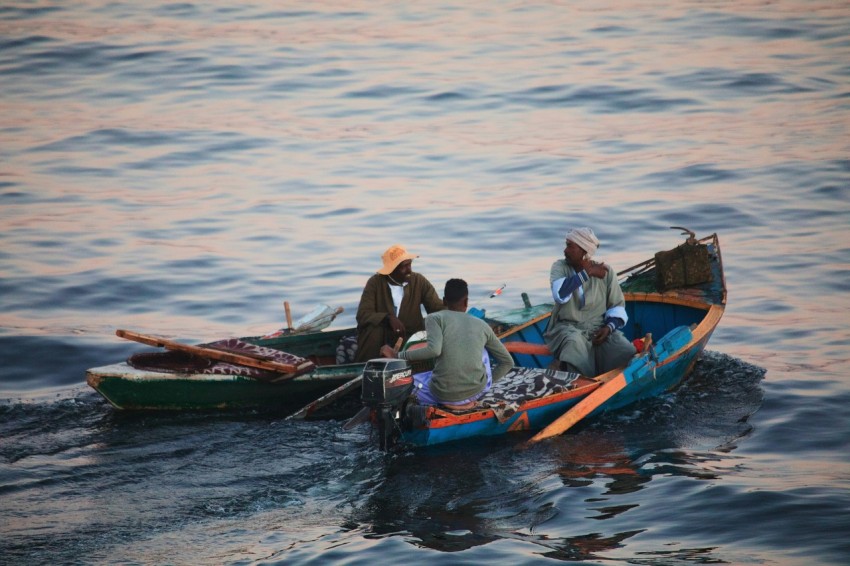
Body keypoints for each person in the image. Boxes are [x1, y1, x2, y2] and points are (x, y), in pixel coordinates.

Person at [380, 278, 514, 410]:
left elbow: (434, 350)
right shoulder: (482, 325)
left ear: (444, 301)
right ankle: (469, 397)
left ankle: (448, 401)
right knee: (483, 350)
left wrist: (398, 355)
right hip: (476, 393)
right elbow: (507, 362)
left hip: (441, 395)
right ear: (466, 301)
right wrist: (483, 385)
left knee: (413, 380)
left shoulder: (434, 318)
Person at [543, 227, 636, 376]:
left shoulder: (607, 272)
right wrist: (588, 273)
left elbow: (617, 306)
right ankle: (579, 381)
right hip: (567, 328)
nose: (565, 250)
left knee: (626, 351)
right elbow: (559, 293)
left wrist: (609, 328)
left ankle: (609, 381)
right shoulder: (560, 267)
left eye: (569, 246)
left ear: (584, 252)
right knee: (574, 345)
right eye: (566, 245)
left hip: (598, 327)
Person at [354, 244, 445, 363]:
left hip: (410, 336)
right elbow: (363, 315)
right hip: (382, 338)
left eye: (410, 264)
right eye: (404, 267)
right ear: (392, 270)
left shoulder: (418, 281)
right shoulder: (375, 283)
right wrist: (388, 318)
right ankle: (366, 369)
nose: (409, 270)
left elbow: (435, 307)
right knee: (372, 329)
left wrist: (454, 308)